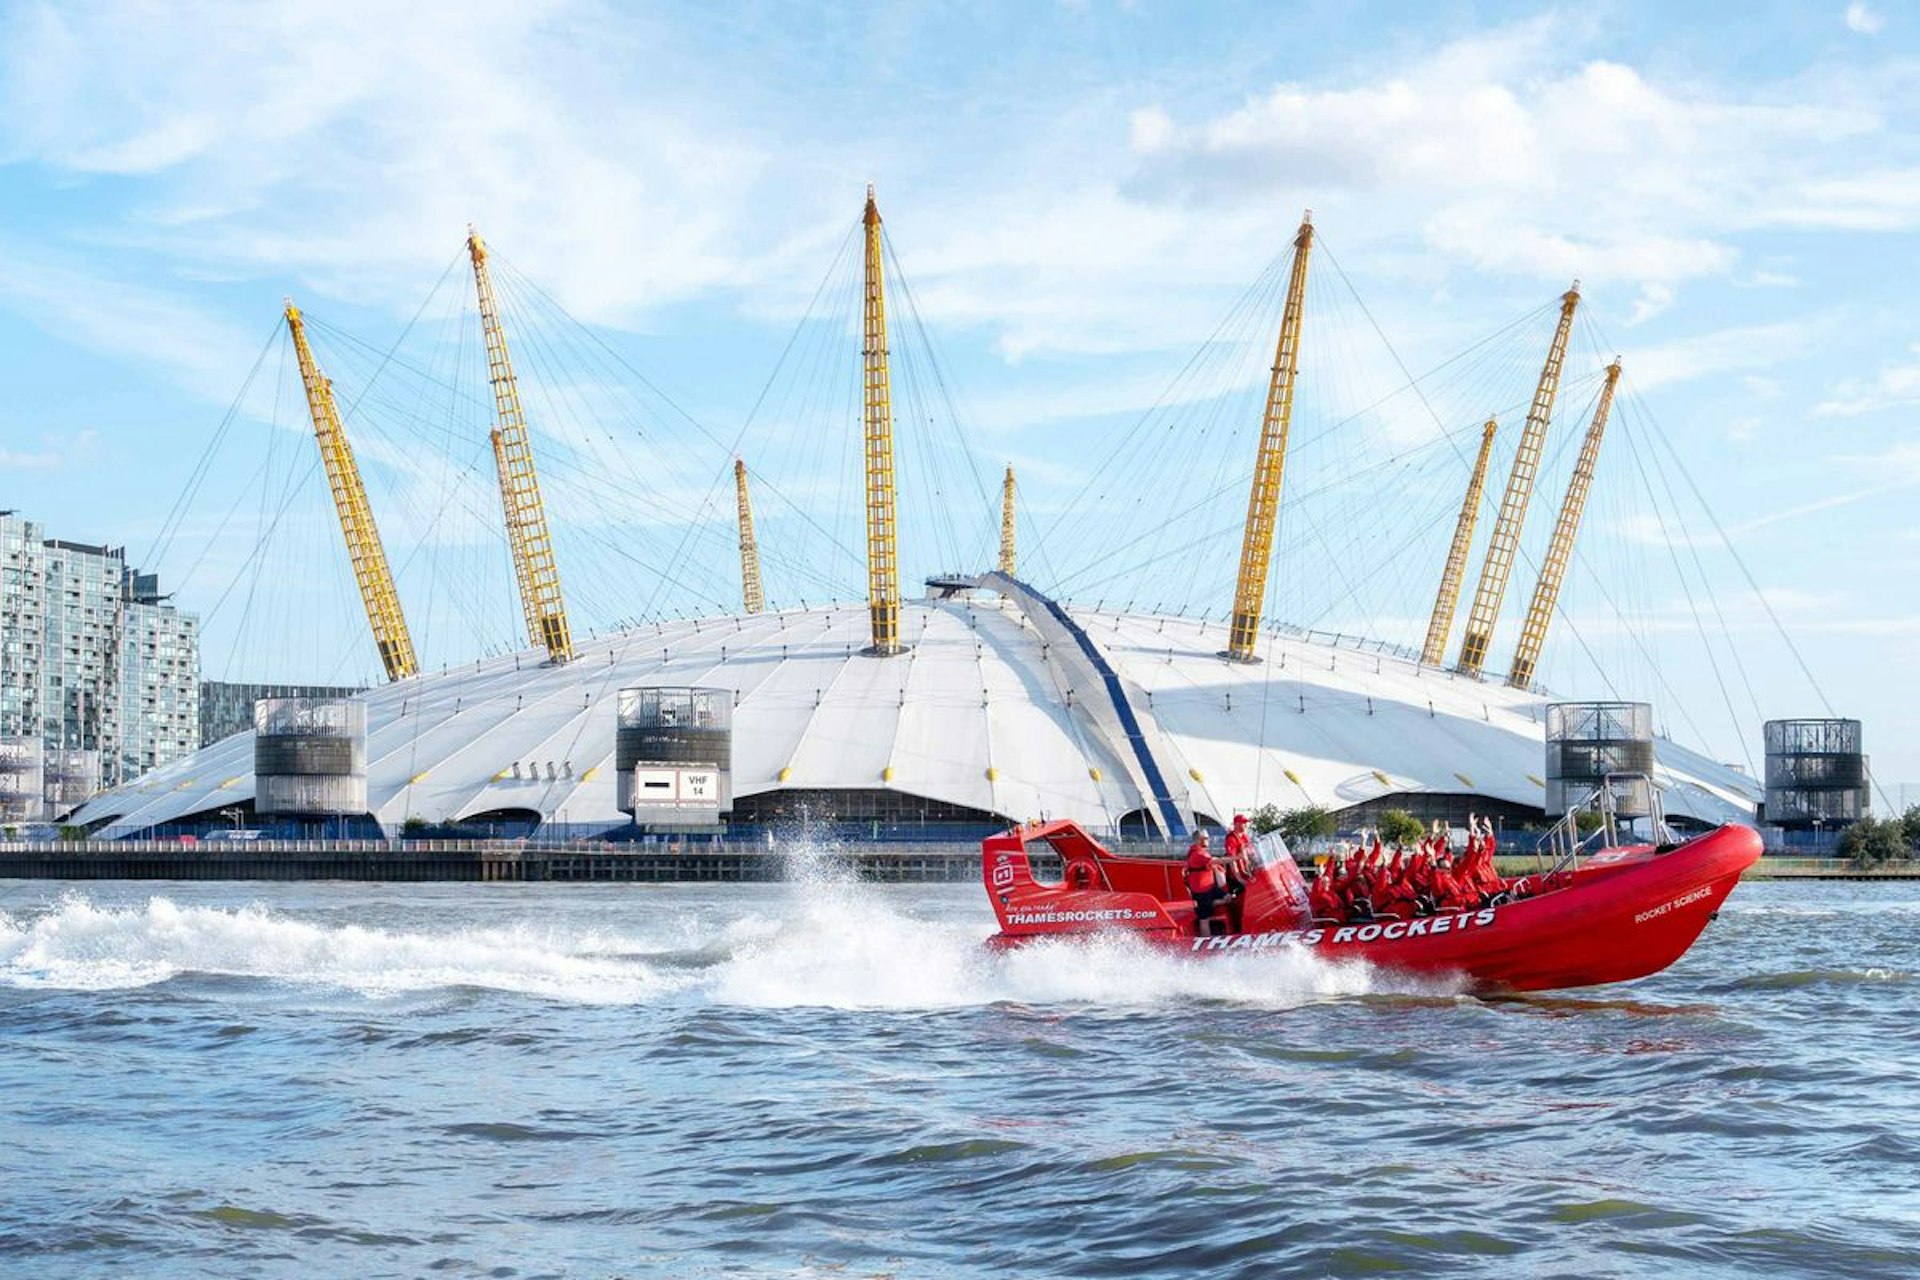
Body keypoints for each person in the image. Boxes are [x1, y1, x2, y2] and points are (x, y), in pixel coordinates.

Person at [1183, 830, 1228, 937]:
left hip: (1210, 889)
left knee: (1229, 897)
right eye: (1206, 838)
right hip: (1200, 892)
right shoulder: (1197, 854)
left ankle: (1211, 904)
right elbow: (1217, 861)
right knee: (1204, 919)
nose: (1209, 840)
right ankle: (1205, 942)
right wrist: (1236, 858)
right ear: (1199, 840)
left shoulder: (1202, 852)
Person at [1222, 814, 1256, 930]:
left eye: (1246, 822)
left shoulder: (1244, 837)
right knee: (1240, 898)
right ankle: (1241, 926)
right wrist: (1238, 878)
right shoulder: (1231, 839)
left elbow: (1251, 853)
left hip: (1245, 872)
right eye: (1243, 822)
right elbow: (1232, 860)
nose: (1246, 825)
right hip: (1235, 876)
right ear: (1236, 824)